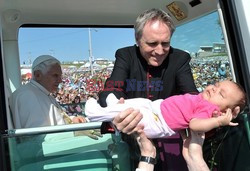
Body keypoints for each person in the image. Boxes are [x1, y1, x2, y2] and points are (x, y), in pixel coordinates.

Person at [98, 8, 198, 170]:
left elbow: (192, 95)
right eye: (152, 44)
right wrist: (117, 108)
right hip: (132, 135)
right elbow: (111, 89)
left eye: (165, 43)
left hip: (169, 138)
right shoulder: (126, 55)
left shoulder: (179, 59)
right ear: (137, 39)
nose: (159, 51)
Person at [86, 80, 246, 138]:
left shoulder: (209, 110)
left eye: (221, 94)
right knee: (139, 102)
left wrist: (218, 121)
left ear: (226, 111)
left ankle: (96, 114)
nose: (213, 89)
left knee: (133, 113)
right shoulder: (202, 98)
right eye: (216, 85)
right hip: (157, 108)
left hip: (158, 123)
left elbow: (195, 125)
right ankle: (114, 106)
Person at [9, 55, 86, 129]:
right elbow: (37, 138)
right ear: (38, 75)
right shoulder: (27, 95)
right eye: (55, 75)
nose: (60, 80)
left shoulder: (43, 92)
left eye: (60, 76)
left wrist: (72, 120)